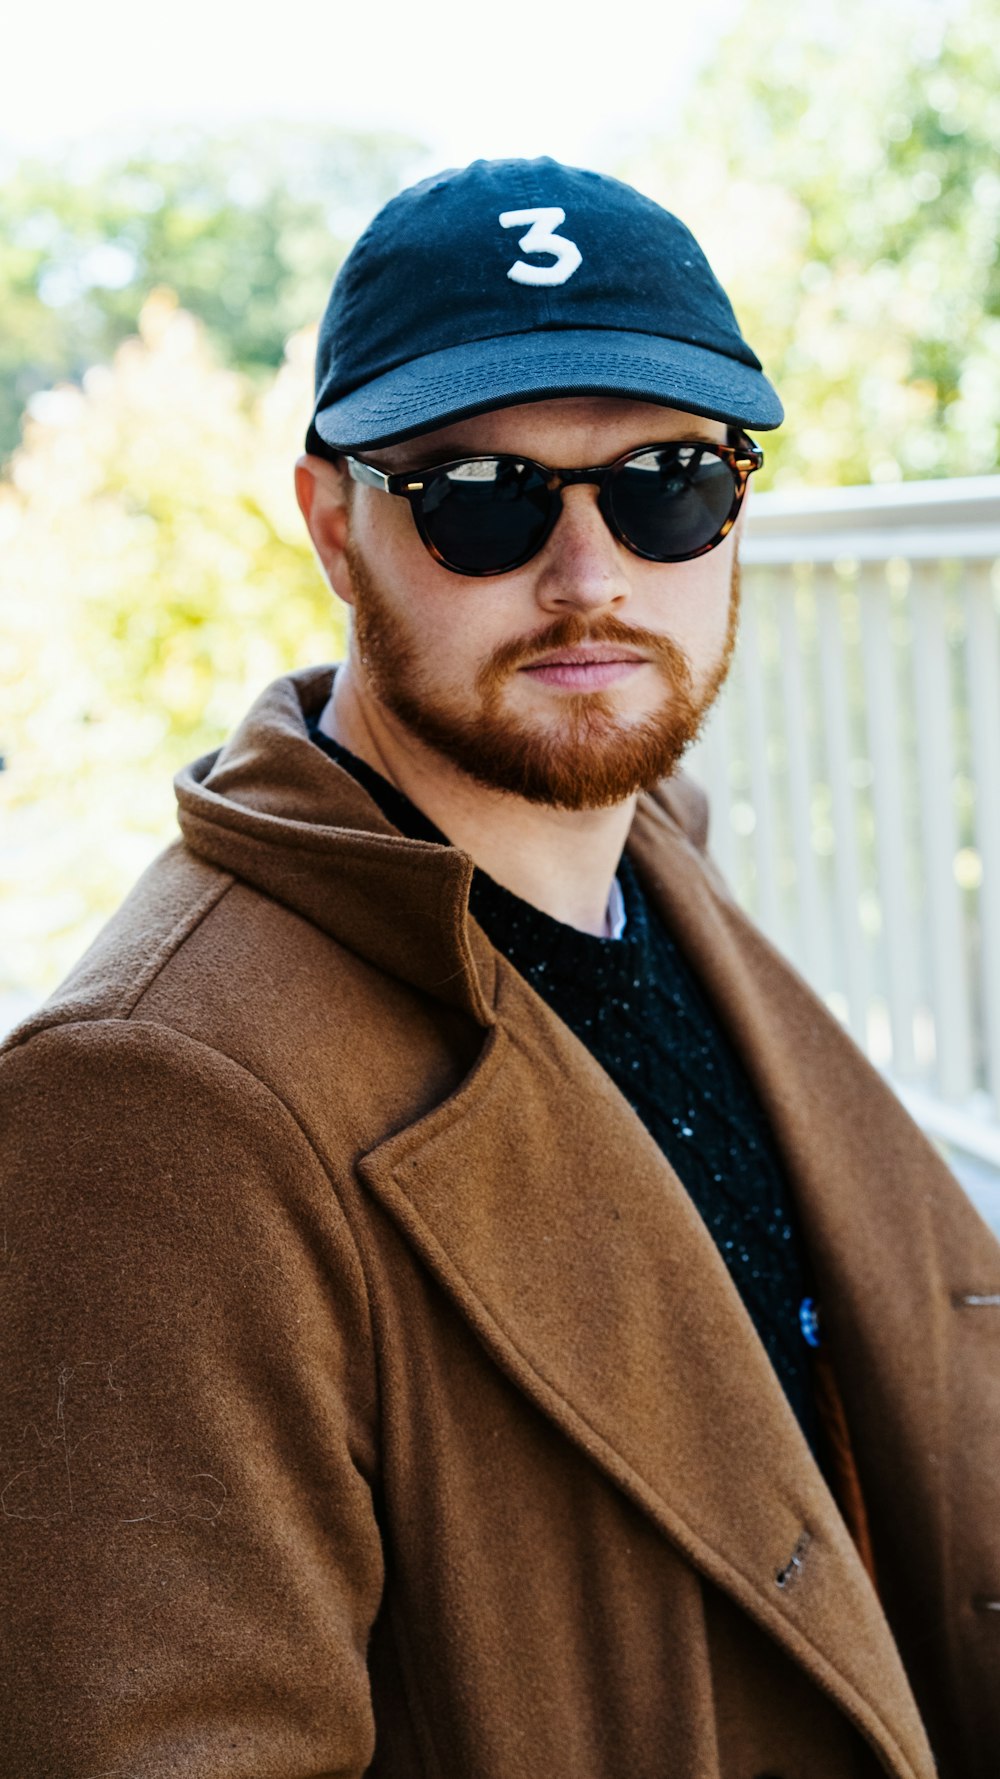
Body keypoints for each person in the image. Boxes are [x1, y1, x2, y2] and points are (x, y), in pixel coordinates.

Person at [0, 156, 997, 1779]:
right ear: (334, 520)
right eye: (483, 497)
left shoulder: (647, 859)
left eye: (670, 483)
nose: (591, 577)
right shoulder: (147, 1098)